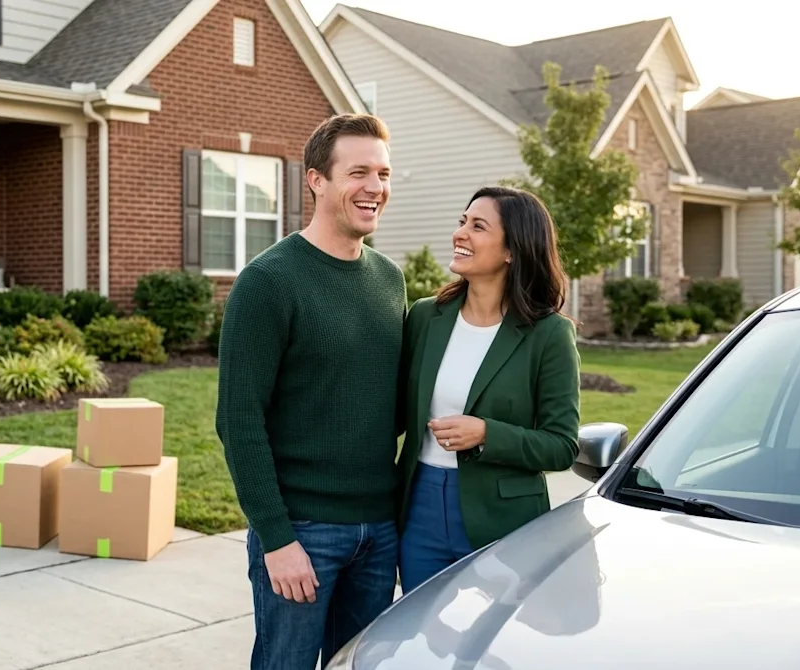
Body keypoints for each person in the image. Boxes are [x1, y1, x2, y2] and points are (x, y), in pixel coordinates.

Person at [215, 114, 408, 669]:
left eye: (384, 173)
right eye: (358, 173)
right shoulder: (268, 282)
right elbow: (239, 422)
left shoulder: (389, 279)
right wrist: (276, 539)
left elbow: (383, 404)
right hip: (303, 531)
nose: (375, 187)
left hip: (379, 532)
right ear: (316, 180)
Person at [395, 185, 581, 594]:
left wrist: (485, 434)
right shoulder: (427, 317)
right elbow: (393, 413)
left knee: (490, 646)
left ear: (512, 250)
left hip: (503, 517)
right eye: (462, 222)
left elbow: (561, 445)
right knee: (420, 640)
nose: (461, 233)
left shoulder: (548, 334)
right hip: (420, 506)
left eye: (477, 226)